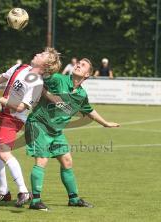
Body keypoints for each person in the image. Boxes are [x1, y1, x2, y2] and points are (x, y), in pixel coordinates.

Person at [0, 47, 61, 207]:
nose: (37, 53)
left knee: (3, 153)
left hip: (13, 118)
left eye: (42, 54)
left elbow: (21, 107)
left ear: (45, 65)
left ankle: (23, 191)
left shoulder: (37, 83)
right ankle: (3, 192)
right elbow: (1, 79)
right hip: (2, 115)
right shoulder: (20, 67)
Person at [25, 59, 120, 211]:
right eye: (78, 63)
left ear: (87, 74)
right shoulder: (59, 79)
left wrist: (105, 123)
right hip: (39, 124)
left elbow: (89, 110)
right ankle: (35, 201)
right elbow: (38, 77)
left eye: (82, 65)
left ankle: (74, 199)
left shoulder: (81, 94)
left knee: (67, 161)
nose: (78, 65)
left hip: (56, 130)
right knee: (42, 160)